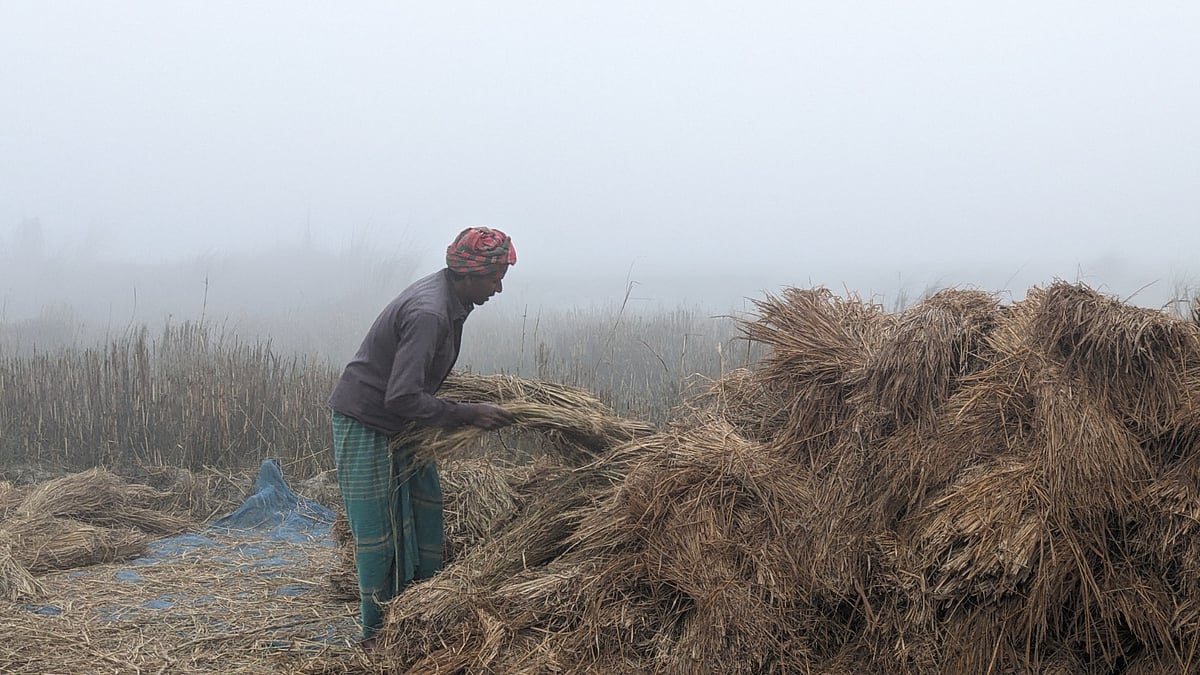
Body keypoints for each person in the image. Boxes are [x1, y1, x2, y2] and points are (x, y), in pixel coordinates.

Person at [327, 226, 517, 647]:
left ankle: (416, 611)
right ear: (467, 274)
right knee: (379, 533)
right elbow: (401, 396)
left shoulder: (451, 299)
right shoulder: (430, 313)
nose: (499, 288)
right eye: (494, 278)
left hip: (401, 423)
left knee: (423, 511)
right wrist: (469, 413)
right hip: (366, 421)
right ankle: (377, 637)